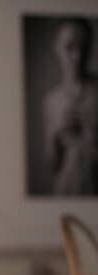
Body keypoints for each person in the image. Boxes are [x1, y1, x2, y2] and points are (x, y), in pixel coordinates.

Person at [43, 18, 98, 196]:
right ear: (56, 47)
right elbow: (53, 164)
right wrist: (54, 134)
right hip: (65, 191)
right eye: (69, 47)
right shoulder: (51, 100)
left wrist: (93, 136)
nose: (77, 56)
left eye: (83, 47)